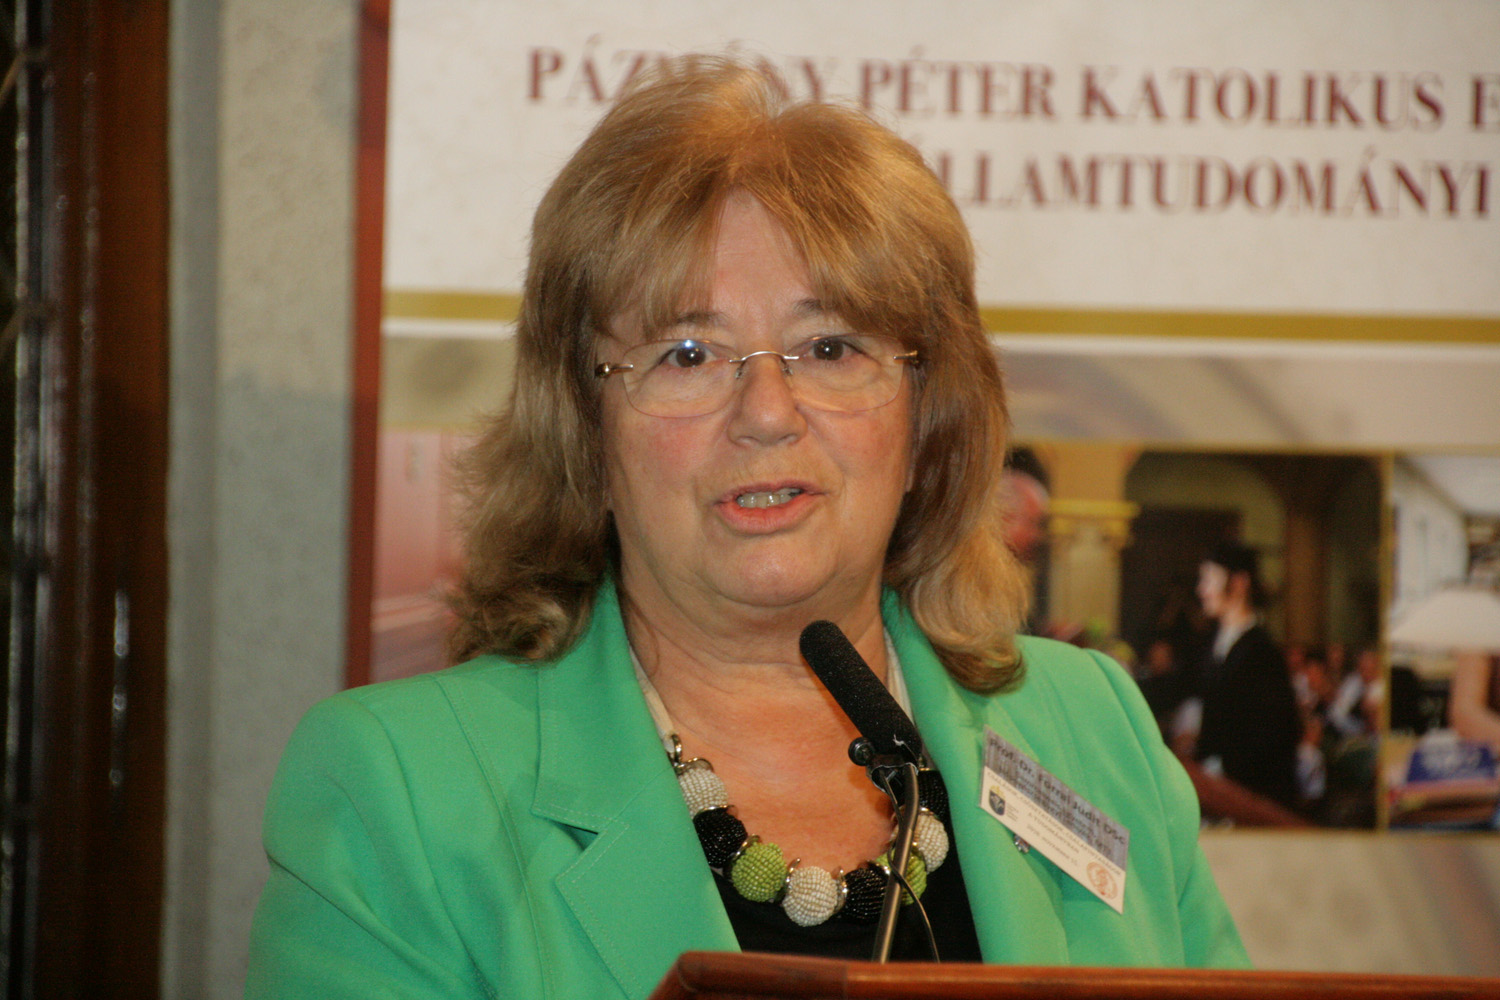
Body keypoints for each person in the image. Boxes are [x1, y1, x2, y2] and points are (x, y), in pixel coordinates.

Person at [246, 57, 1247, 998]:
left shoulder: (1092, 727)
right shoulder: (403, 789)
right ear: (585, 429)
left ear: (926, 419)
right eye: (686, 354)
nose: (767, 412)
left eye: (831, 346)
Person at [1193, 541, 1301, 809]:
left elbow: (1275, 735)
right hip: (1214, 790)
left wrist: (1220, 768)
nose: (1201, 590)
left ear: (1240, 583)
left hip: (1249, 798)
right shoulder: (1211, 644)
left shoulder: (1262, 652)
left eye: (1210, 579)